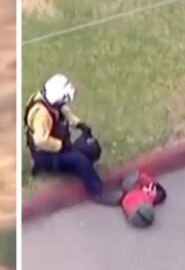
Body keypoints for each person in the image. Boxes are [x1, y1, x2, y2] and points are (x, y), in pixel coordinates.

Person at [23, 74, 121, 206]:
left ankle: (78, 169)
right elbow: (40, 140)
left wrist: (79, 124)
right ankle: (97, 192)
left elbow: (64, 112)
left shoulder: (50, 101)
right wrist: (60, 146)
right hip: (46, 154)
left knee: (91, 148)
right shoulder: (42, 114)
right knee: (80, 160)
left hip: (58, 148)